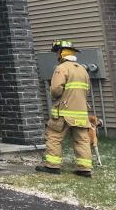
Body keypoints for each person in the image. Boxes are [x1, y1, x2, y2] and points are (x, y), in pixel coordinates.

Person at [36, 40, 93, 177]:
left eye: (57, 52)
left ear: (62, 53)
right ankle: (84, 169)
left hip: (64, 112)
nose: (56, 55)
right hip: (81, 112)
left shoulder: (61, 68)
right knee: (82, 140)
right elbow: (87, 91)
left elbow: (56, 90)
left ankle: (52, 166)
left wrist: (54, 93)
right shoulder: (82, 70)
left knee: (54, 137)